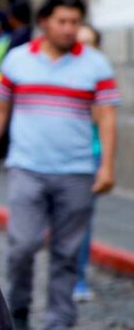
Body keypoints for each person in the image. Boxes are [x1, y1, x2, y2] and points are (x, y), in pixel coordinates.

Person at [0, 0, 119, 330]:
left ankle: (59, 322)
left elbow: (107, 118)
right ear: (44, 23)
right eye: (62, 22)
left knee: (67, 254)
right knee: (21, 246)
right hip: (27, 169)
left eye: (75, 22)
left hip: (77, 172)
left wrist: (107, 167)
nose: (69, 29)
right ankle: (19, 312)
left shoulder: (96, 64)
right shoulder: (18, 60)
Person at [73, 24, 103, 303]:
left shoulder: (98, 76)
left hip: (89, 154)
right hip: (53, 159)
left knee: (81, 221)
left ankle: (78, 277)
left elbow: (100, 119)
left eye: (89, 43)